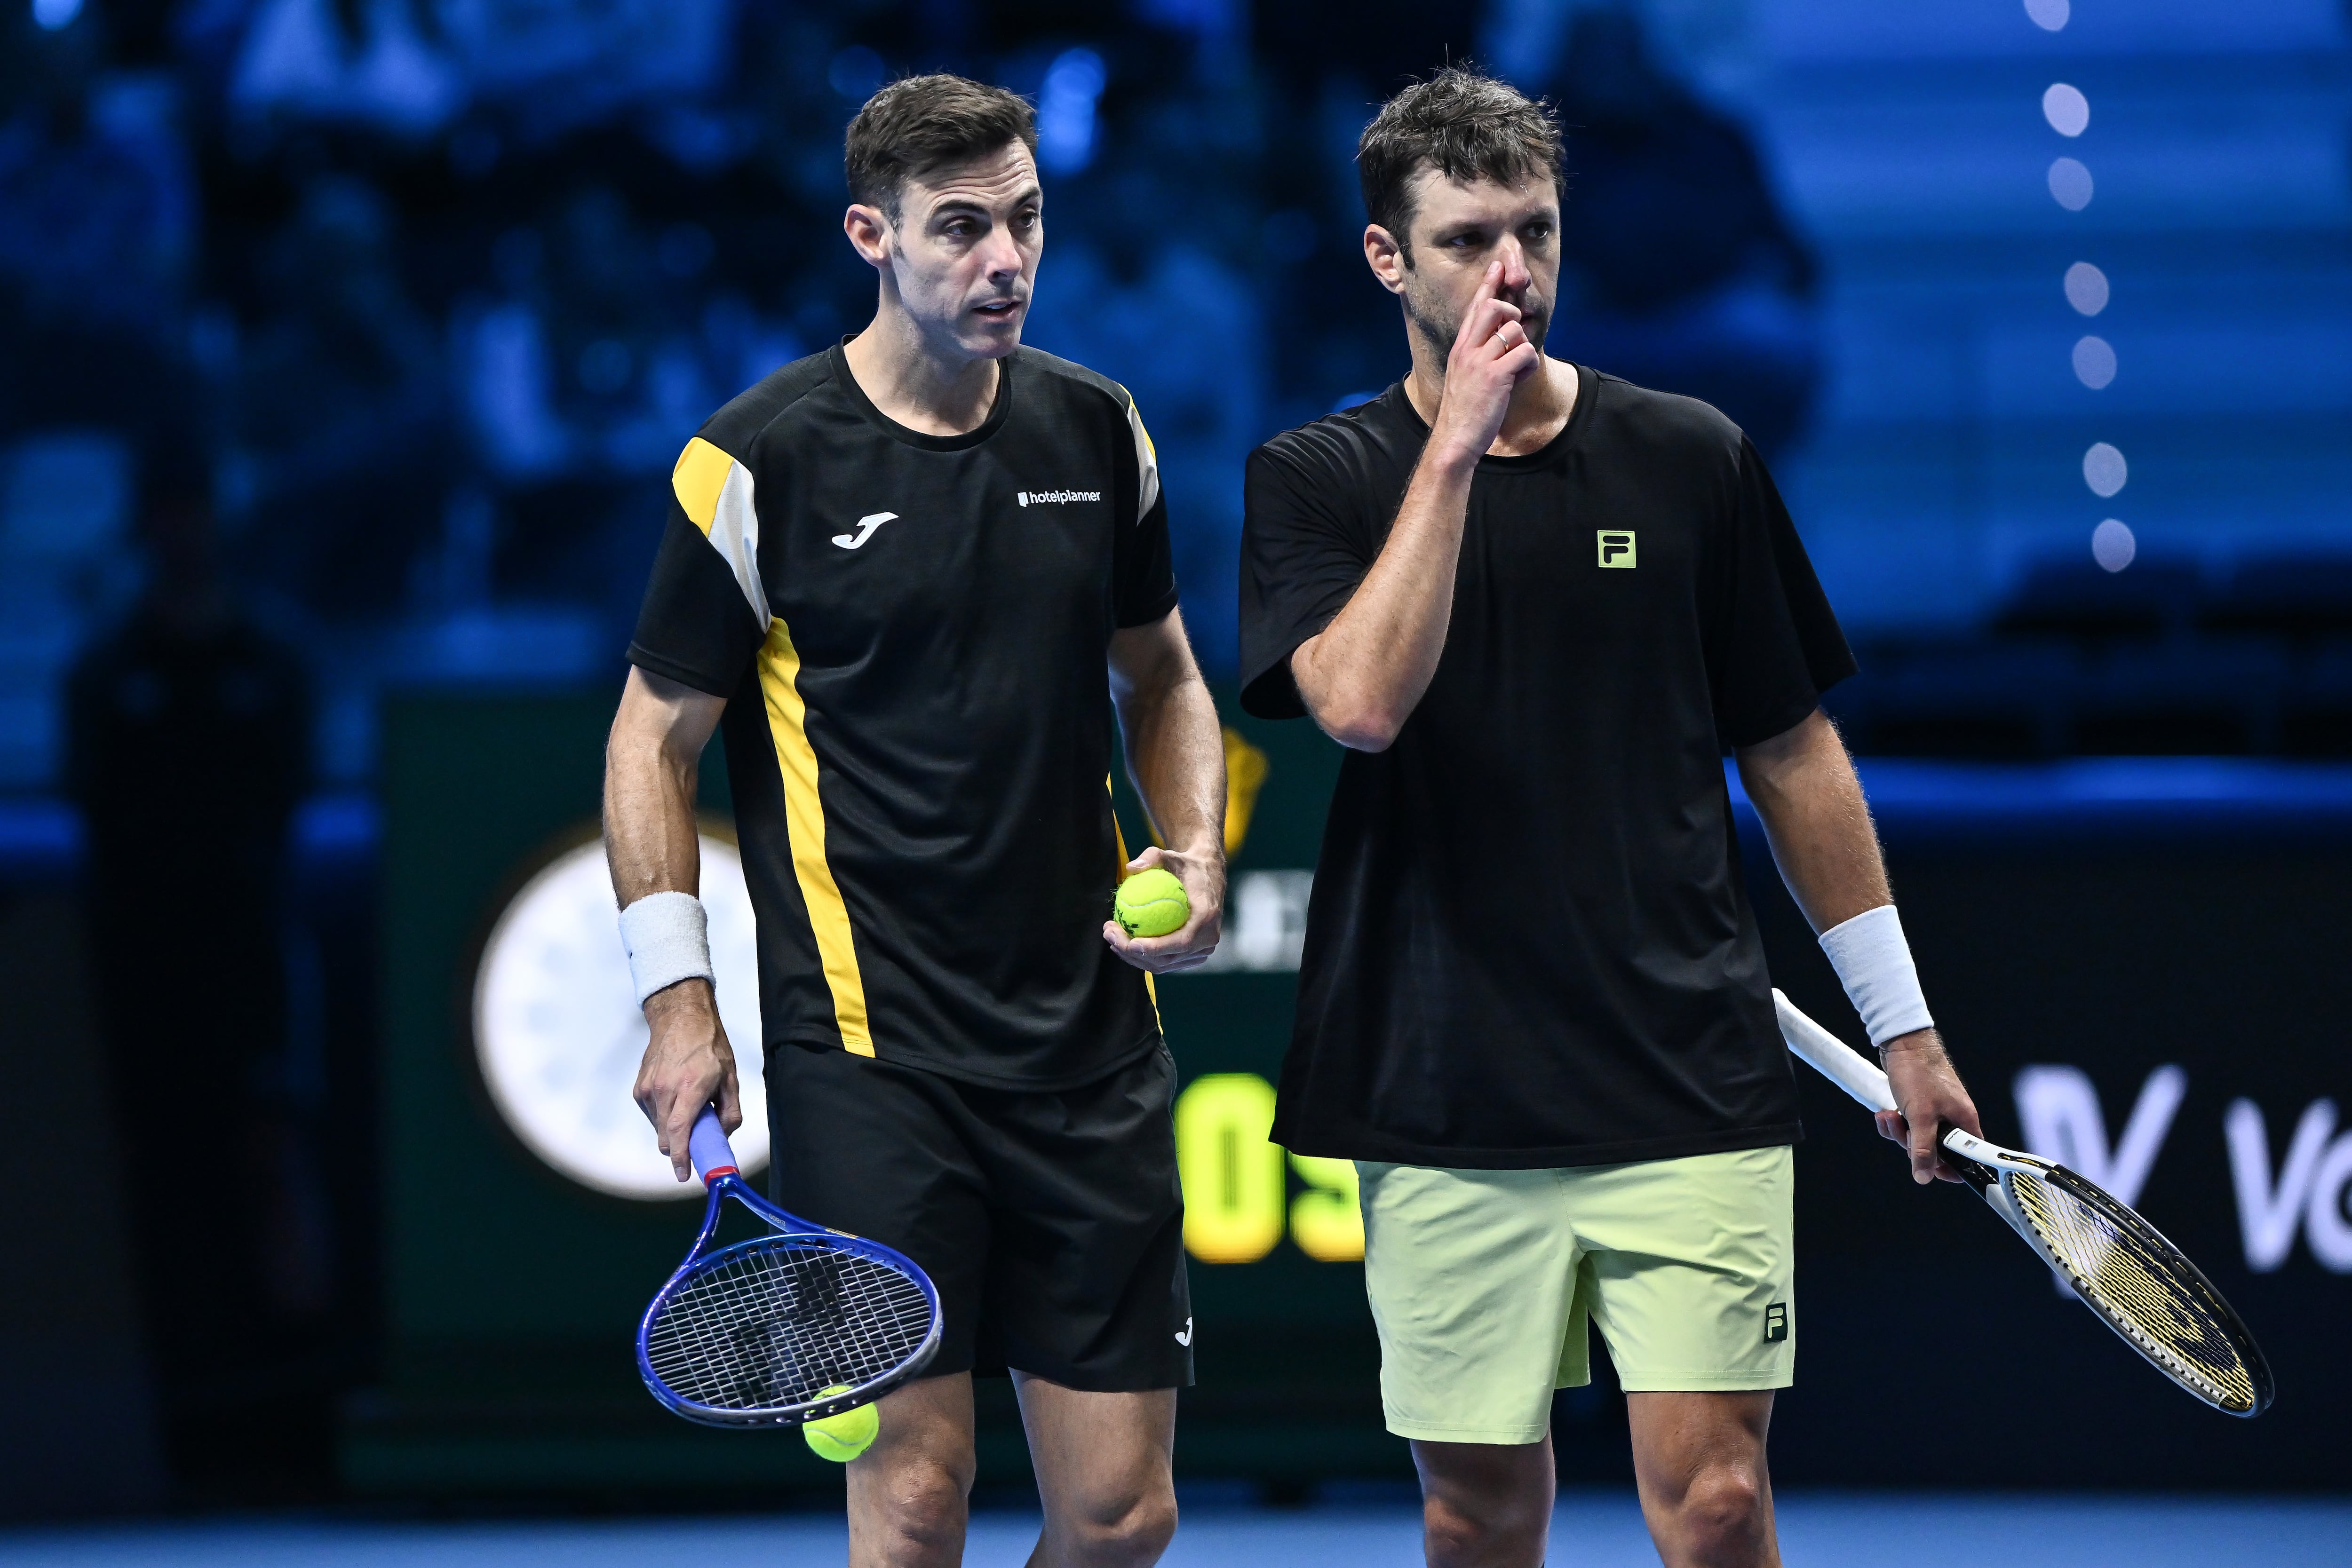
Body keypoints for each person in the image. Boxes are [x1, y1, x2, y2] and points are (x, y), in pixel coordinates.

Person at [1237, 70, 1980, 1568]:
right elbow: (1363, 706)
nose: (1513, 272)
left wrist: (1904, 1028)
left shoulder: (1694, 457)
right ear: (1388, 258)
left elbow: (1794, 755)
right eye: (1466, 240)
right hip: (1437, 1086)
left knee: (1714, 1503)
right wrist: (1456, 449)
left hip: (1683, 1074)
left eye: (1537, 231)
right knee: (1479, 1513)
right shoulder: (1316, 479)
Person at [604, 75, 1225, 1568]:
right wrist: (679, 1004)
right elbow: (649, 741)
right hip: (871, 1054)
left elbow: (1167, 672)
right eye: (962, 229)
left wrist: (1191, 844)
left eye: (1024, 220)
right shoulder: (757, 462)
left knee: (1123, 1517)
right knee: (913, 1496)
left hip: (1089, 1039)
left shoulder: (1098, 429)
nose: (1005, 258)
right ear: (871, 235)